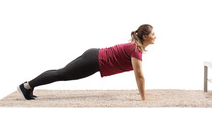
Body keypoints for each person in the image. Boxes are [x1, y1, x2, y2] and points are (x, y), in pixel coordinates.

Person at [17, 24, 156, 101]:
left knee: (61, 72)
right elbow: (139, 76)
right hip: (94, 61)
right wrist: (143, 98)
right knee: (61, 74)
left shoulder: (135, 47)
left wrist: (142, 94)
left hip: (93, 56)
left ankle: (29, 87)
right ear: (145, 36)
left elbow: (138, 76)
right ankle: (26, 86)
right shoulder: (135, 50)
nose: (155, 36)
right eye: (153, 34)